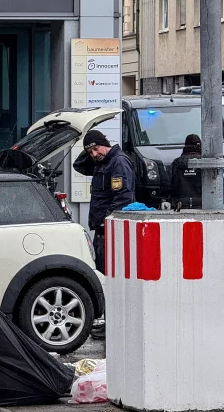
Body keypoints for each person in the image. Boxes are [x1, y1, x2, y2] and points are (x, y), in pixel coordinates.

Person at [73, 130, 134, 341]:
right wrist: (89, 146)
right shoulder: (102, 162)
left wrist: (107, 222)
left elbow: (123, 199)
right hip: (103, 230)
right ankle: (110, 323)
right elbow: (78, 166)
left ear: (104, 143)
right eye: (89, 151)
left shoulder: (118, 163)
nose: (93, 154)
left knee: (112, 280)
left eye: (95, 149)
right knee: (105, 278)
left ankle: (114, 326)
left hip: (110, 230)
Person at [170, 134, 224, 209]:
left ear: (185, 146)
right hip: (204, 205)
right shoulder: (206, 164)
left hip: (180, 206)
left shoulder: (176, 163)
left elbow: (167, 186)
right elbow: (221, 185)